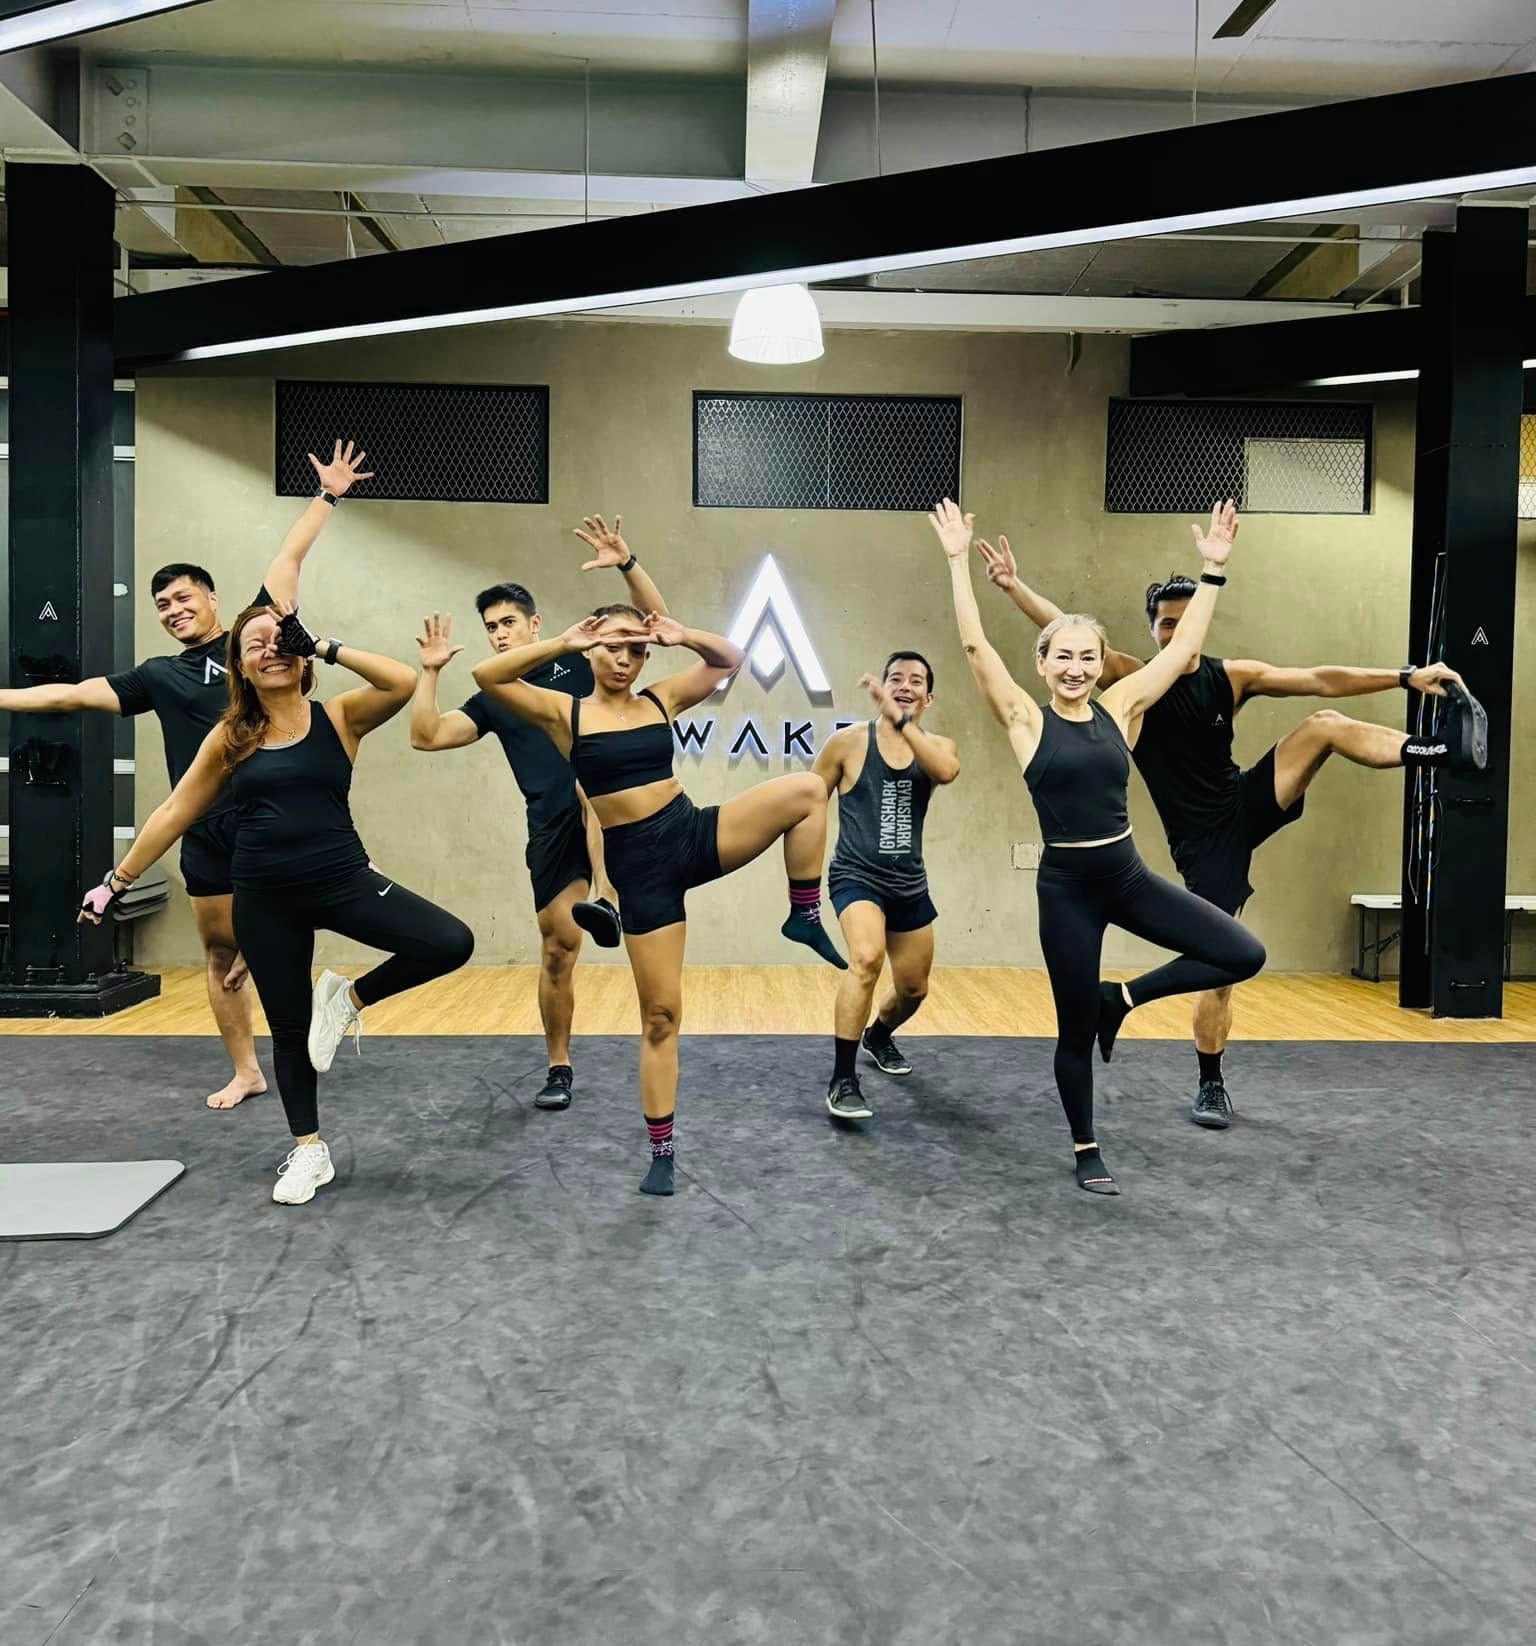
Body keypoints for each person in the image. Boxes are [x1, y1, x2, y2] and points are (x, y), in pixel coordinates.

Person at [976, 533, 1473, 1131]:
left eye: (1185, 621)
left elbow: (1319, 678)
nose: (1175, 631)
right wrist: (1013, 588)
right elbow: (1065, 631)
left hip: (1245, 801)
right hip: (1203, 842)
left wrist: (1404, 676)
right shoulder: (1133, 682)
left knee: (1323, 723)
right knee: (1223, 970)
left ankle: (1437, 750)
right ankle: (1209, 1080)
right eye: (1165, 623)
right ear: (1153, 629)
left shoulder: (1232, 676)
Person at [2, 437, 370, 1109]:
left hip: (270, 821)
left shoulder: (253, 643)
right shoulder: (157, 675)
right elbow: (72, 695)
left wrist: (328, 495)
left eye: (182, 597)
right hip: (206, 831)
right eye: (163, 606)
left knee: (276, 944)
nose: (174, 611)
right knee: (220, 954)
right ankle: (246, 1070)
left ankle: (300, 1047)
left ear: (211, 598)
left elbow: (288, 558)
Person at [81, 601, 474, 1206]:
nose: (271, 650)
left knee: (449, 941)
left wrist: (320, 643)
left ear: (301, 653)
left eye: (281, 640)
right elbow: (175, 811)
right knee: (290, 1029)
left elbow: (399, 681)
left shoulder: (339, 716)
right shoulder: (230, 737)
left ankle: (347, 999)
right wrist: (117, 881)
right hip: (265, 899)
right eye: (255, 645)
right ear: (239, 666)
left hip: (343, 878)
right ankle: (309, 1150)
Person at [932, 496, 1264, 1197]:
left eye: (1088, 656)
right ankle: (1086, 1147)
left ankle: (1126, 998)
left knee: (1242, 952)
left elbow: (1181, 651)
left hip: (1127, 877)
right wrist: (958, 561)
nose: (1077, 667)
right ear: (1043, 663)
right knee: (1074, 1029)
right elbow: (975, 648)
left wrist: (1213, 570)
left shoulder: (1121, 707)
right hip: (1067, 893)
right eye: (1064, 656)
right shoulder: (1025, 721)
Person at [472, 603, 847, 1196]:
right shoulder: (566, 712)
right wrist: (565, 641)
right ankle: (662, 1152)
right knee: (661, 1017)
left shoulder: (659, 699)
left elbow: (730, 659)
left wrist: (681, 634)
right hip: (641, 871)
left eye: (637, 649)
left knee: (806, 790)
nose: (625, 659)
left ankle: (803, 913)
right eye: (613, 647)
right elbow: (488, 677)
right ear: (591, 650)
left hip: (691, 833)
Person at [409, 514, 669, 1112]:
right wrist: (429, 672)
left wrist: (628, 564)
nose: (500, 635)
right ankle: (558, 1065)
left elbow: (654, 628)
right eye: (491, 628)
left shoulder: (579, 662)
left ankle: (608, 896)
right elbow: (427, 736)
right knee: (557, 949)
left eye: (509, 623)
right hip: (550, 827)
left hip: (614, 810)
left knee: (589, 787)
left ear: (535, 623)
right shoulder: (496, 695)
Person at [813, 655, 959, 1123]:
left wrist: (902, 723)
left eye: (916, 681)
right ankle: (843, 1079)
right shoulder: (847, 743)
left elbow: (945, 771)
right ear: (882, 686)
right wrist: (801, 883)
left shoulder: (938, 747)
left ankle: (878, 1035)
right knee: (866, 958)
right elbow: (808, 803)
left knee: (913, 988)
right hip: (855, 875)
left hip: (909, 883)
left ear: (928, 698)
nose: (904, 685)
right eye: (895, 678)